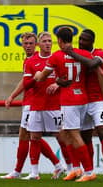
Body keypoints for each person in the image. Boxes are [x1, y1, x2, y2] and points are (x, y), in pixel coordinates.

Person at [34, 27, 100, 182]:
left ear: (60, 40)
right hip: (83, 98)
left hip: (69, 101)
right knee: (64, 133)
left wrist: (37, 75)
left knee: (75, 135)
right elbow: (95, 69)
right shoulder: (83, 54)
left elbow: (42, 77)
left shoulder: (57, 56)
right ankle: (75, 169)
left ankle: (89, 171)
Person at [0, 32, 67, 180]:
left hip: (38, 103)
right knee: (31, 136)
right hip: (30, 102)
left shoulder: (48, 59)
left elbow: (32, 81)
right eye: (26, 43)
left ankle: (21, 171)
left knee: (32, 135)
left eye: (31, 43)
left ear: (36, 44)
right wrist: (12, 95)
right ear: (22, 45)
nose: (28, 46)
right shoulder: (28, 61)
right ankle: (54, 166)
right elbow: (25, 81)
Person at [22, 31, 66, 180]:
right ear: (39, 44)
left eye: (50, 41)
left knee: (61, 137)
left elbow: (68, 79)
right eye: (45, 41)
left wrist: (57, 83)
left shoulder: (59, 58)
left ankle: (72, 168)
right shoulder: (30, 61)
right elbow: (26, 85)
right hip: (36, 105)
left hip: (55, 106)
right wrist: (36, 79)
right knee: (34, 137)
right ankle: (34, 173)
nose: (48, 43)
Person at [77, 29, 103, 181]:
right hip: (82, 100)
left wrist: (73, 54)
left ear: (92, 41)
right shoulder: (77, 54)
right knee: (85, 138)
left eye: (84, 39)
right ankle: (89, 171)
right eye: (79, 39)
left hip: (98, 100)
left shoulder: (100, 53)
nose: (81, 42)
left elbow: (93, 64)